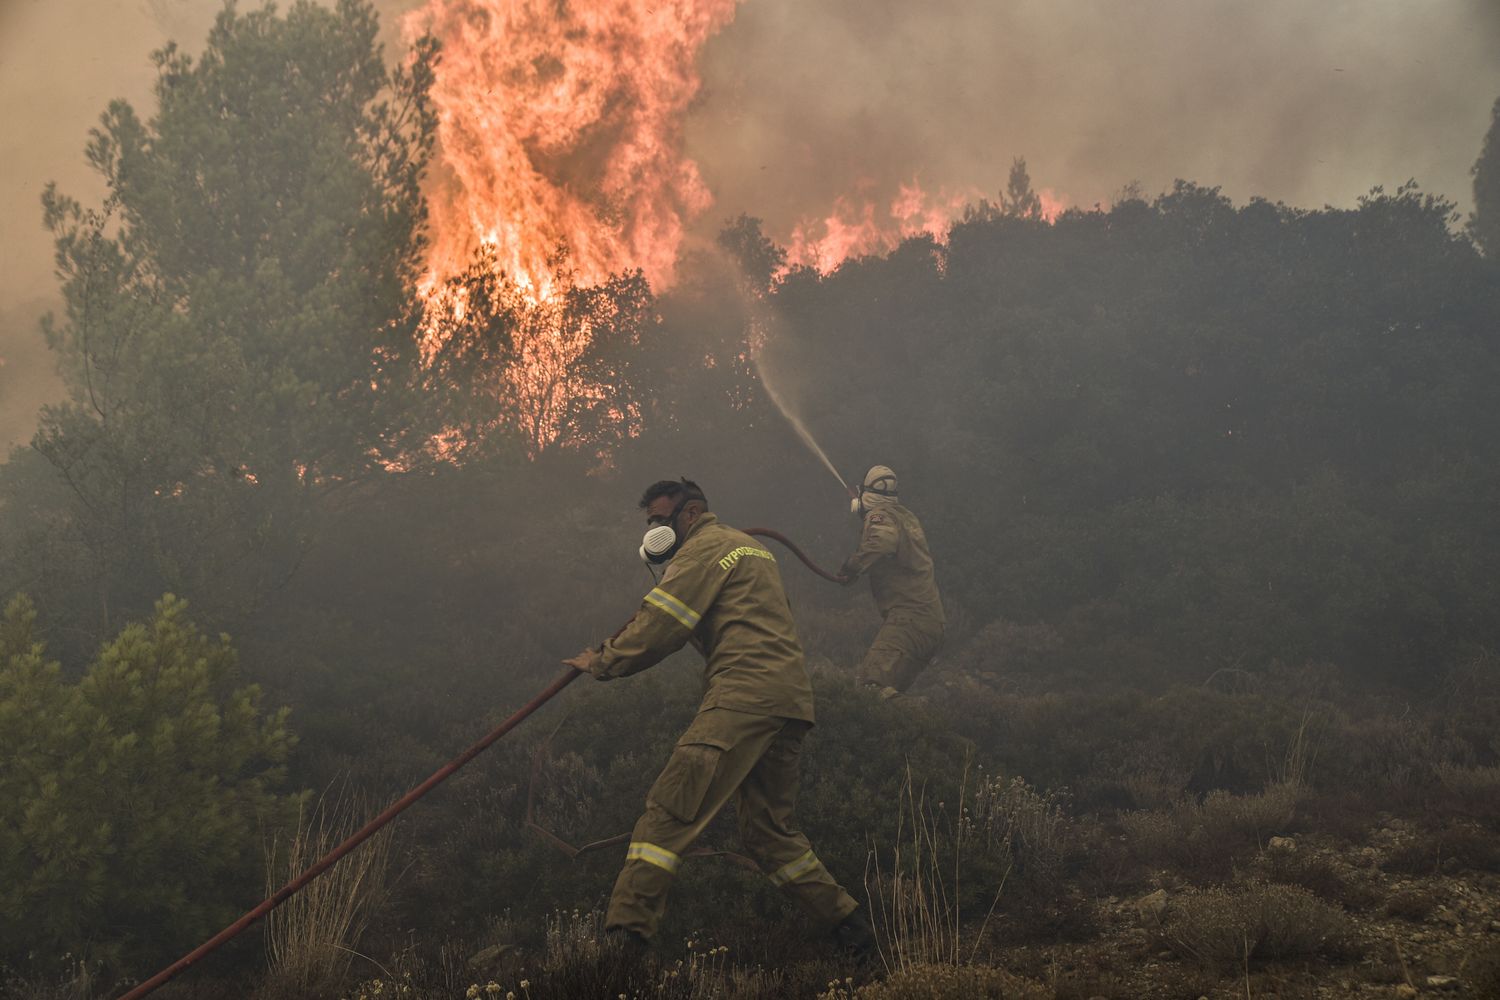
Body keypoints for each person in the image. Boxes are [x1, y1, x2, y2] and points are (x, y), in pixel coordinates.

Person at [563, 478, 874, 958]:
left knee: (668, 816)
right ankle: (853, 929)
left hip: (742, 696)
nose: (653, 532)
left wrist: (602, 660)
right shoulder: (748, 548)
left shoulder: (704, 549)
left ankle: (624, 947)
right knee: (770, 835)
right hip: (789, 701)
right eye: (649, 524)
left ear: (690, 515)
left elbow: (661, 628)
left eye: (659, 521)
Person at [839, 465, 945, 696]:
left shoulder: (881, 516)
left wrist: (853, 566)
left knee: (871, 684)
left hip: (909, 620)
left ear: (866, 495)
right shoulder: (905, 517)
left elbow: (882, 542)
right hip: (929, 625)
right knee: (887, 693)